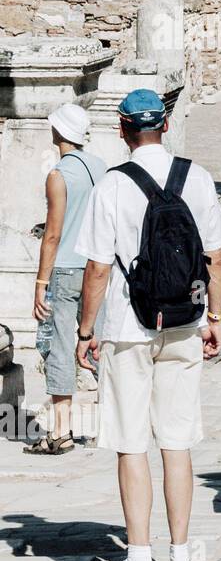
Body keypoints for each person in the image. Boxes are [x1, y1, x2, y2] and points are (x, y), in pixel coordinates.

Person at [74, 89, 221, 561]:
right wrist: (216, 317)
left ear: (122, 129)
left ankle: (139, 558)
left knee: (131, 443)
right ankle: (181, 555)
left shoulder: (112, 186)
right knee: (177, 442)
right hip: (185, 322)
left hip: (127, 327)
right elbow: (217, 259)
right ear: (165, 125)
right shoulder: (199, 179)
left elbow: (98, 268)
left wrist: (84, 331)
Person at [26, 103, 106, 456]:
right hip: (98, 267)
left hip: (66, 269)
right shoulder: (102, 167)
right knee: (99, 343)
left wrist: (41, 283)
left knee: (59, 346)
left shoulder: (58, 175)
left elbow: (53, 234)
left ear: (58, 132)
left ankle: (62, 431)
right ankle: (114, 425)